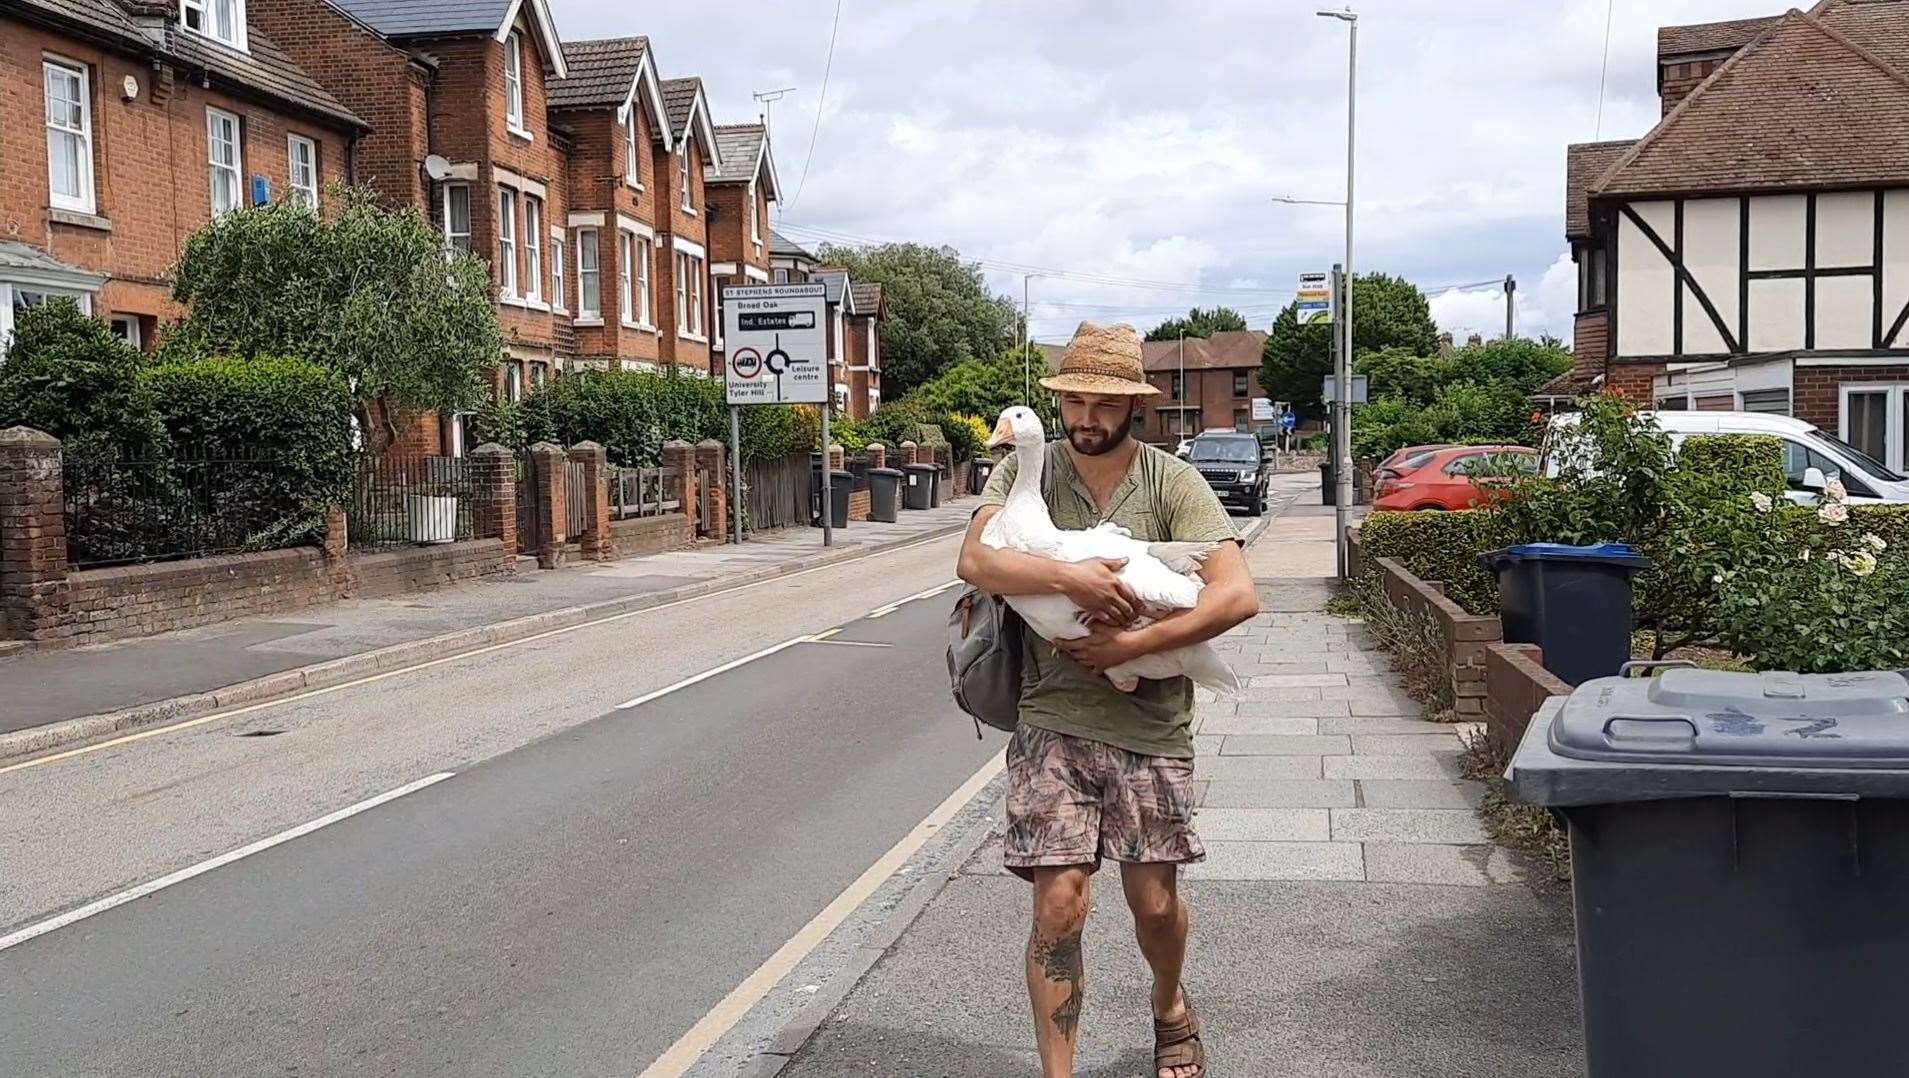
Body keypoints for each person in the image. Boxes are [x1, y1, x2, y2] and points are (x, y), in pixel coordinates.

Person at [956, 322, 1259, 1078]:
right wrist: (1069, 580)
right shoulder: (1028, 473)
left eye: (1102, 405)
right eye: (1074, 402)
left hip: (1149, 723)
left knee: (1153, 907)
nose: (1085, 418)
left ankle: (1168, 1006)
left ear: (1133, 407)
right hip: (1050, 720)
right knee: (1058, 906)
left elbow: (1236, 596)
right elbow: (974, 560)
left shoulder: (1170, 482)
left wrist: (1129, 649)